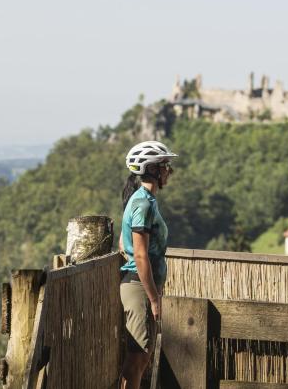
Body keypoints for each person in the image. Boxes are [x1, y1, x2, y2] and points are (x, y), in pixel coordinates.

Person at [119, 140, 177, 389]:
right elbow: (140, 256)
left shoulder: (144, 200)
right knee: (137, 358)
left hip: (143, 286)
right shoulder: (142, 203)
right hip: (138, 286)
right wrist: (153, 298)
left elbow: (123, 242)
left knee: (143, 356)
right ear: (152, 169)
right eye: (165, 165)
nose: (169, 171)